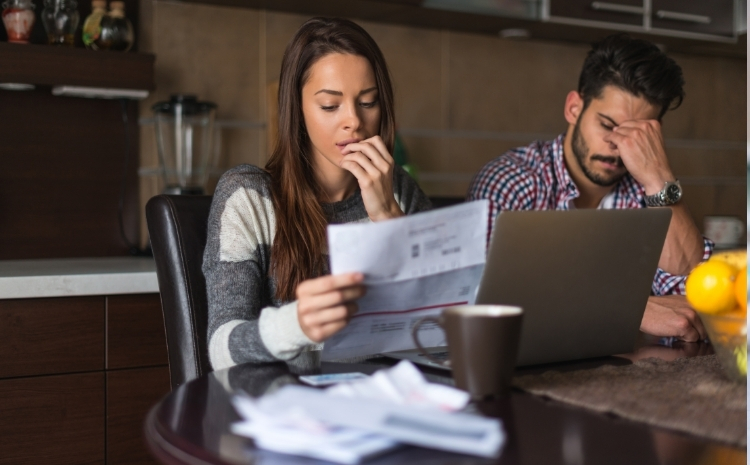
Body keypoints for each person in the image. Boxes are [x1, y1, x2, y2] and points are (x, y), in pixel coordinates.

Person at [204, 17, 431, 370]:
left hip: (383, 401)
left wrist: (388, 216)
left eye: (368, 102)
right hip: (287, 408)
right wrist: (296, 325)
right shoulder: (249, 197)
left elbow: (438, 329)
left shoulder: (399, 190)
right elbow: (221, 350)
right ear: (297, 109)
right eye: (330, 105)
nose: (353, 121)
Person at [468, 34, 712, 342]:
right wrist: (633, 309)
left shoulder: (648, 192)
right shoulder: (513, 181)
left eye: (636, 134)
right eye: (608, 125)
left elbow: (699, 302)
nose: (617, 146)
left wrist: (659, 178)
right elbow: (485, 308)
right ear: (574, 108)